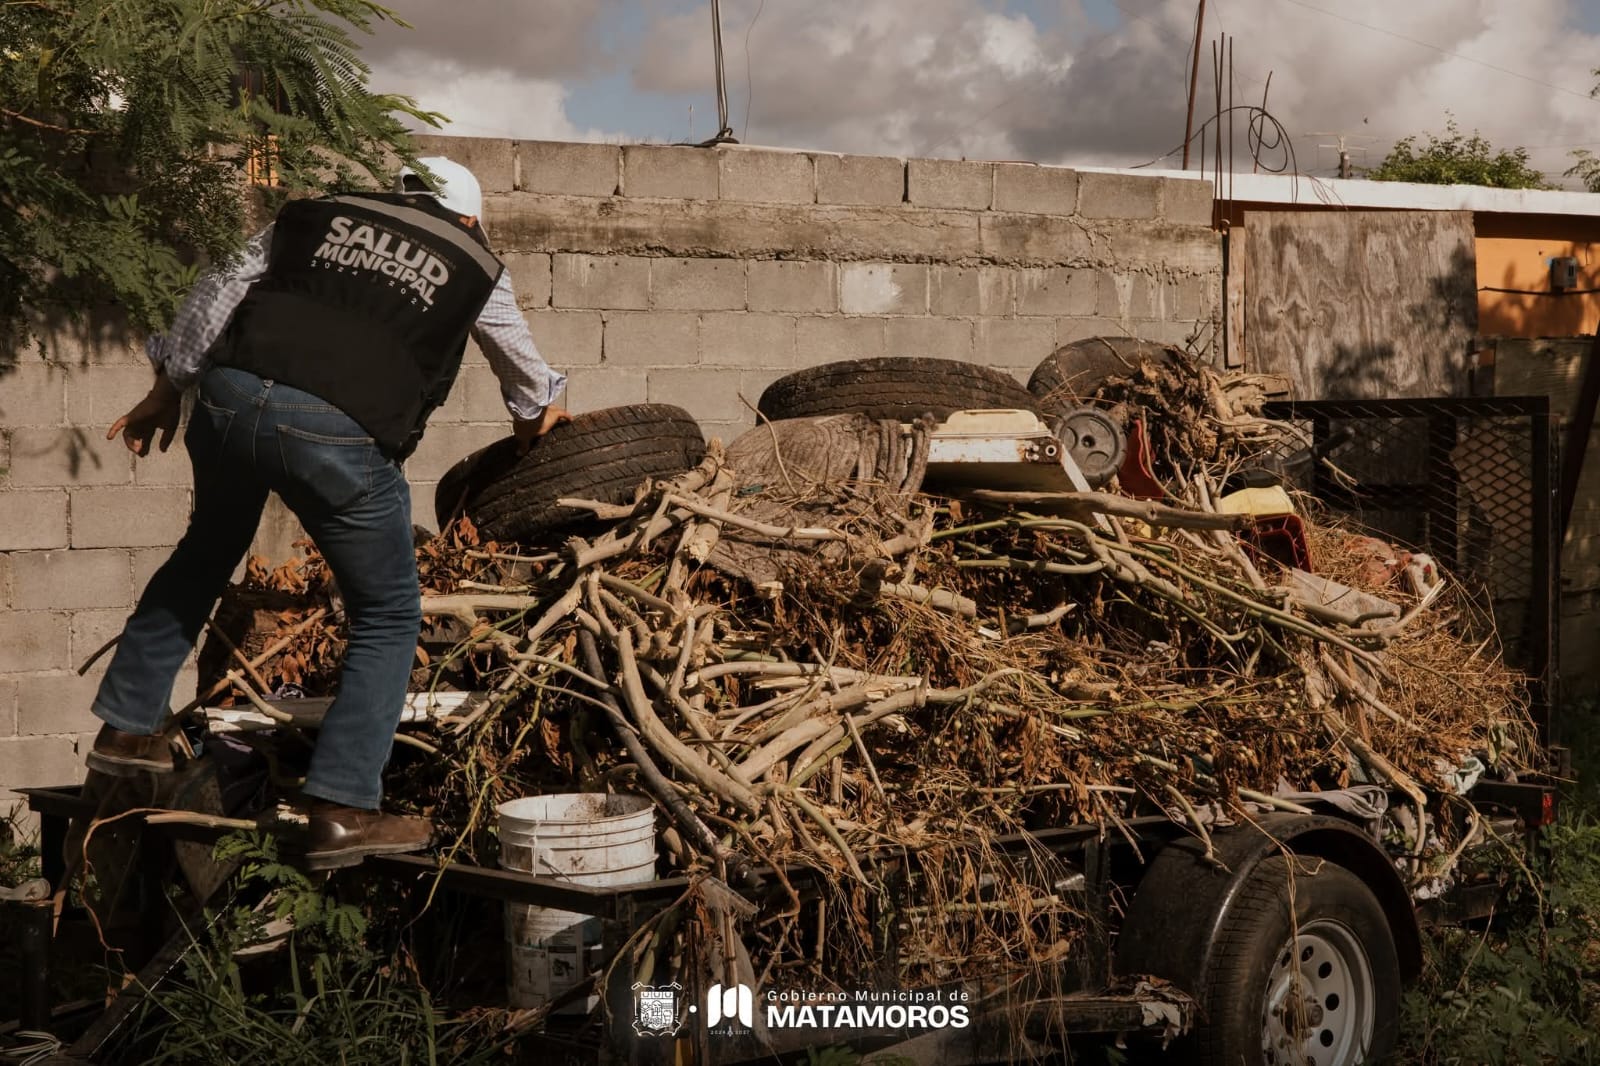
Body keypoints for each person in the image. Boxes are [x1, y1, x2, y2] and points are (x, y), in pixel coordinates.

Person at [83, 158, 570, 870]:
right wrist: (538, 419)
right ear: (469, 218)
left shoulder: (314, 214)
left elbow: (220, 285)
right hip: (335, 432)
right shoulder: (475, 260)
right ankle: (341, 807)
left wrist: (167, 386)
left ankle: (125, 732)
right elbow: (525, 378)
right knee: (388, 612)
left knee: (204, 554)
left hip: (227, 400)